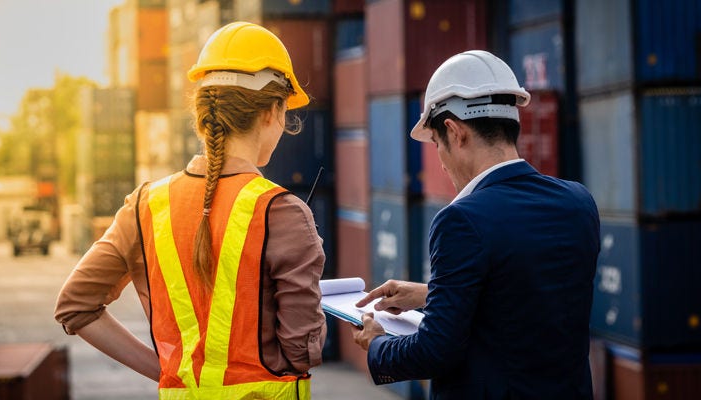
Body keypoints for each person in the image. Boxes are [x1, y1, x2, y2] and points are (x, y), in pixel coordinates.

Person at [55, 21, 327, 399]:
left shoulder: (146, 204)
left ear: (204, 114)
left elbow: (74, 307)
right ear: (272, 111)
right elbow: (301, 352)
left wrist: (167, 372)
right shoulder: (283, 212)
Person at [351, 50, 600, 399]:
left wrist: (376, 344)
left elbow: (434, 352)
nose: (439, 161)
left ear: (455, 132)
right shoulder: (578, 203)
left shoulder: (461, 220)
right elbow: (527, 297)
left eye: (437, 143)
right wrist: (431, 295)